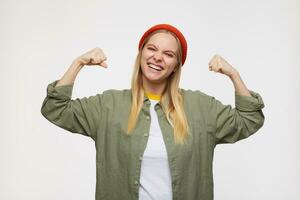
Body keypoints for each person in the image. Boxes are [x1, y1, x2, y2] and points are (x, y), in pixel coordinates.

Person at [41, 24, 265, 200]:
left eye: (168, 54)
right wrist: (78, 63)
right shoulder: (108, 105)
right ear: (141, 54)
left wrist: (234, 75)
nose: (158, 57)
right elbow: (55, 109)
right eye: (152, 48)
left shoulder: (201, 108)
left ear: (176, 65)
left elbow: (249, 119)